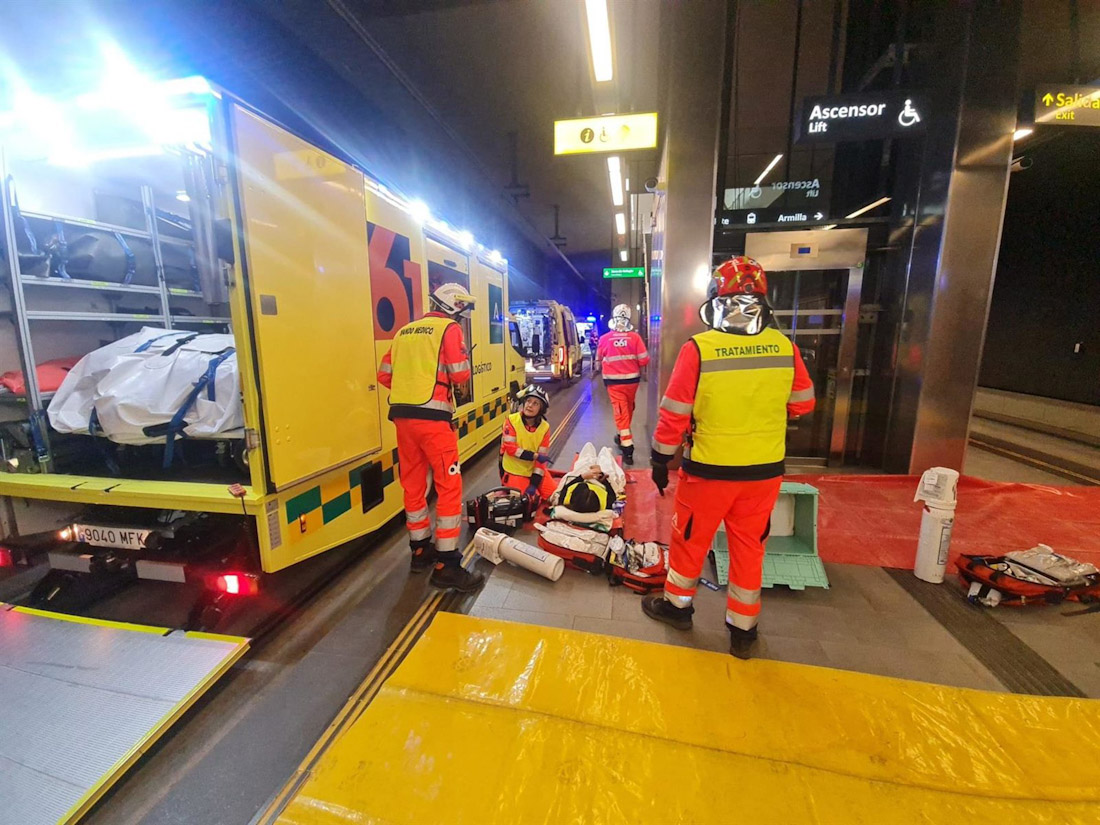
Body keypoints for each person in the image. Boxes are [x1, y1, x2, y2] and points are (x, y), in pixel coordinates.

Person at [642, 256, 816, 658]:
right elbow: (804, 404)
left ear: (716, 298)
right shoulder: (784, 347)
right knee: (750, 547)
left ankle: (677, 608)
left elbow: (674, 413)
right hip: (764, 472)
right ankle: (743, 630)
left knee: (690, 541)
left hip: (710, 471)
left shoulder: (699, 348)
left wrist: (659, 459)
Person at [377, 282, 484, 592]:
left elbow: (384, 374)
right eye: (462, 308)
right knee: (448, 485)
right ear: (453, 305)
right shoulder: (448, 329)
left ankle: (420, 551)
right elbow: (460, 373)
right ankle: (447, 564)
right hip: (434, 420)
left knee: (413, 484)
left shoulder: (404, 331)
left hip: (402, 418)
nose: (463, 314)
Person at [595, 304, 649, 464]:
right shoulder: (635, 338)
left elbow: (598, 360)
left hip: (613, 382)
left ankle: (627, 446)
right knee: (628, 407)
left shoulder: (604, 339)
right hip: (632, 381)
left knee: (621, 411)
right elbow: (644, 359)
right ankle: (621, 435)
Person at [500, 384, 557, 500]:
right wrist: (535, 456)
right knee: (529, 501)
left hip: (532, 469)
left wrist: (534, 483)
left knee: (554, 496)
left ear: (541, 409)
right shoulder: (511, 420)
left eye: (535, 403)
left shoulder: (545, 427)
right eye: (528, 401)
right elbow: (511, 450)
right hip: (515, 471)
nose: (530, 405)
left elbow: (541, 462)